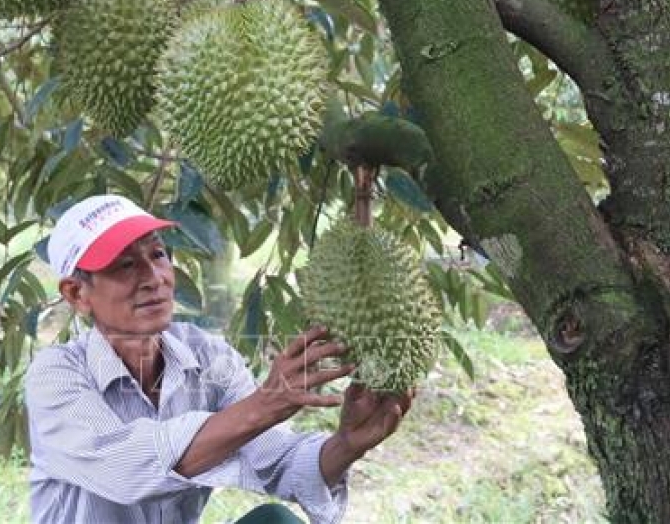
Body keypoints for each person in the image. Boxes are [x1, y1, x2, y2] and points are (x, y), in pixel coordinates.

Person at [25, 194, 413, 524]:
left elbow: (276, 460)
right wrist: (265, 404)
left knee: (274, 522)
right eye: (125, 265)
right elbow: (127, 471)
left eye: (158, 254)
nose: (154, 277)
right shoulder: (56, 376)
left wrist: (347, 444)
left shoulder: (206, 357)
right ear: (77, 294)